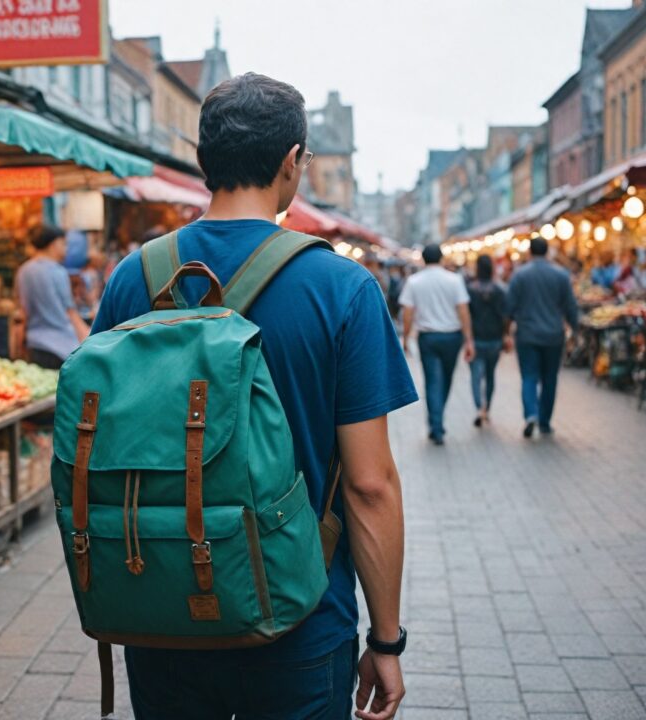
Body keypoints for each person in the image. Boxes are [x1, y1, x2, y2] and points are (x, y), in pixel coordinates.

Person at [92, 73, 416, 720]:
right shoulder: (341, 287)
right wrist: (386, 637)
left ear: (202, 159)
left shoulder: (135, 276)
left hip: (161, 603)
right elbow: (369, 485)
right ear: (292, 162)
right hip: (299, 616)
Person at [399, 244, 475, 445]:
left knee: (432, 380)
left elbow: (407, 313)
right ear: (441, 258)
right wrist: (468, 340)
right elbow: (463, 310)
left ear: (423, 260)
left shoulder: (414, 281)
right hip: (452, 337)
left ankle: (436, 424)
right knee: (447, 378)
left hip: (427, 338)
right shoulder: (454, 280)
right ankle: (437, 423)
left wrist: (405, 339)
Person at [506, 237, 579, 438]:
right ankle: (545, 421)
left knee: (529, 376)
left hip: (527, 334)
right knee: (550, 378)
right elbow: (570, 306)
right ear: (547, 252)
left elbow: (509, 306)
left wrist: (507, 330)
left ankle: (531, 413)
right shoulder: (561, 275)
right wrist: (575, 328)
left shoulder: (520, 275)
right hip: (554, 335)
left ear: (530, 252)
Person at [15, 225, 89, 369]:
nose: (66, 249)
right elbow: (70, 311)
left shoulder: (23, 271)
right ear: (54, 244)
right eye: (64, 243)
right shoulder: (58, 272)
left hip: (35, 345)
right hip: (61, 346)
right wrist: (88, 337)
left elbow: (23, 312)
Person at [467, 255, 509, 427]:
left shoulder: (470, 290)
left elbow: (466, 316)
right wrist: (506, 335)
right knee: (490, 375)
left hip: (476, 339)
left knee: (476, 376)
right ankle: (487, 408)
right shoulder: (500, 290)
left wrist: (467, 338)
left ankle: (479, 408)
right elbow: (505, 316)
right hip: (494, 339)